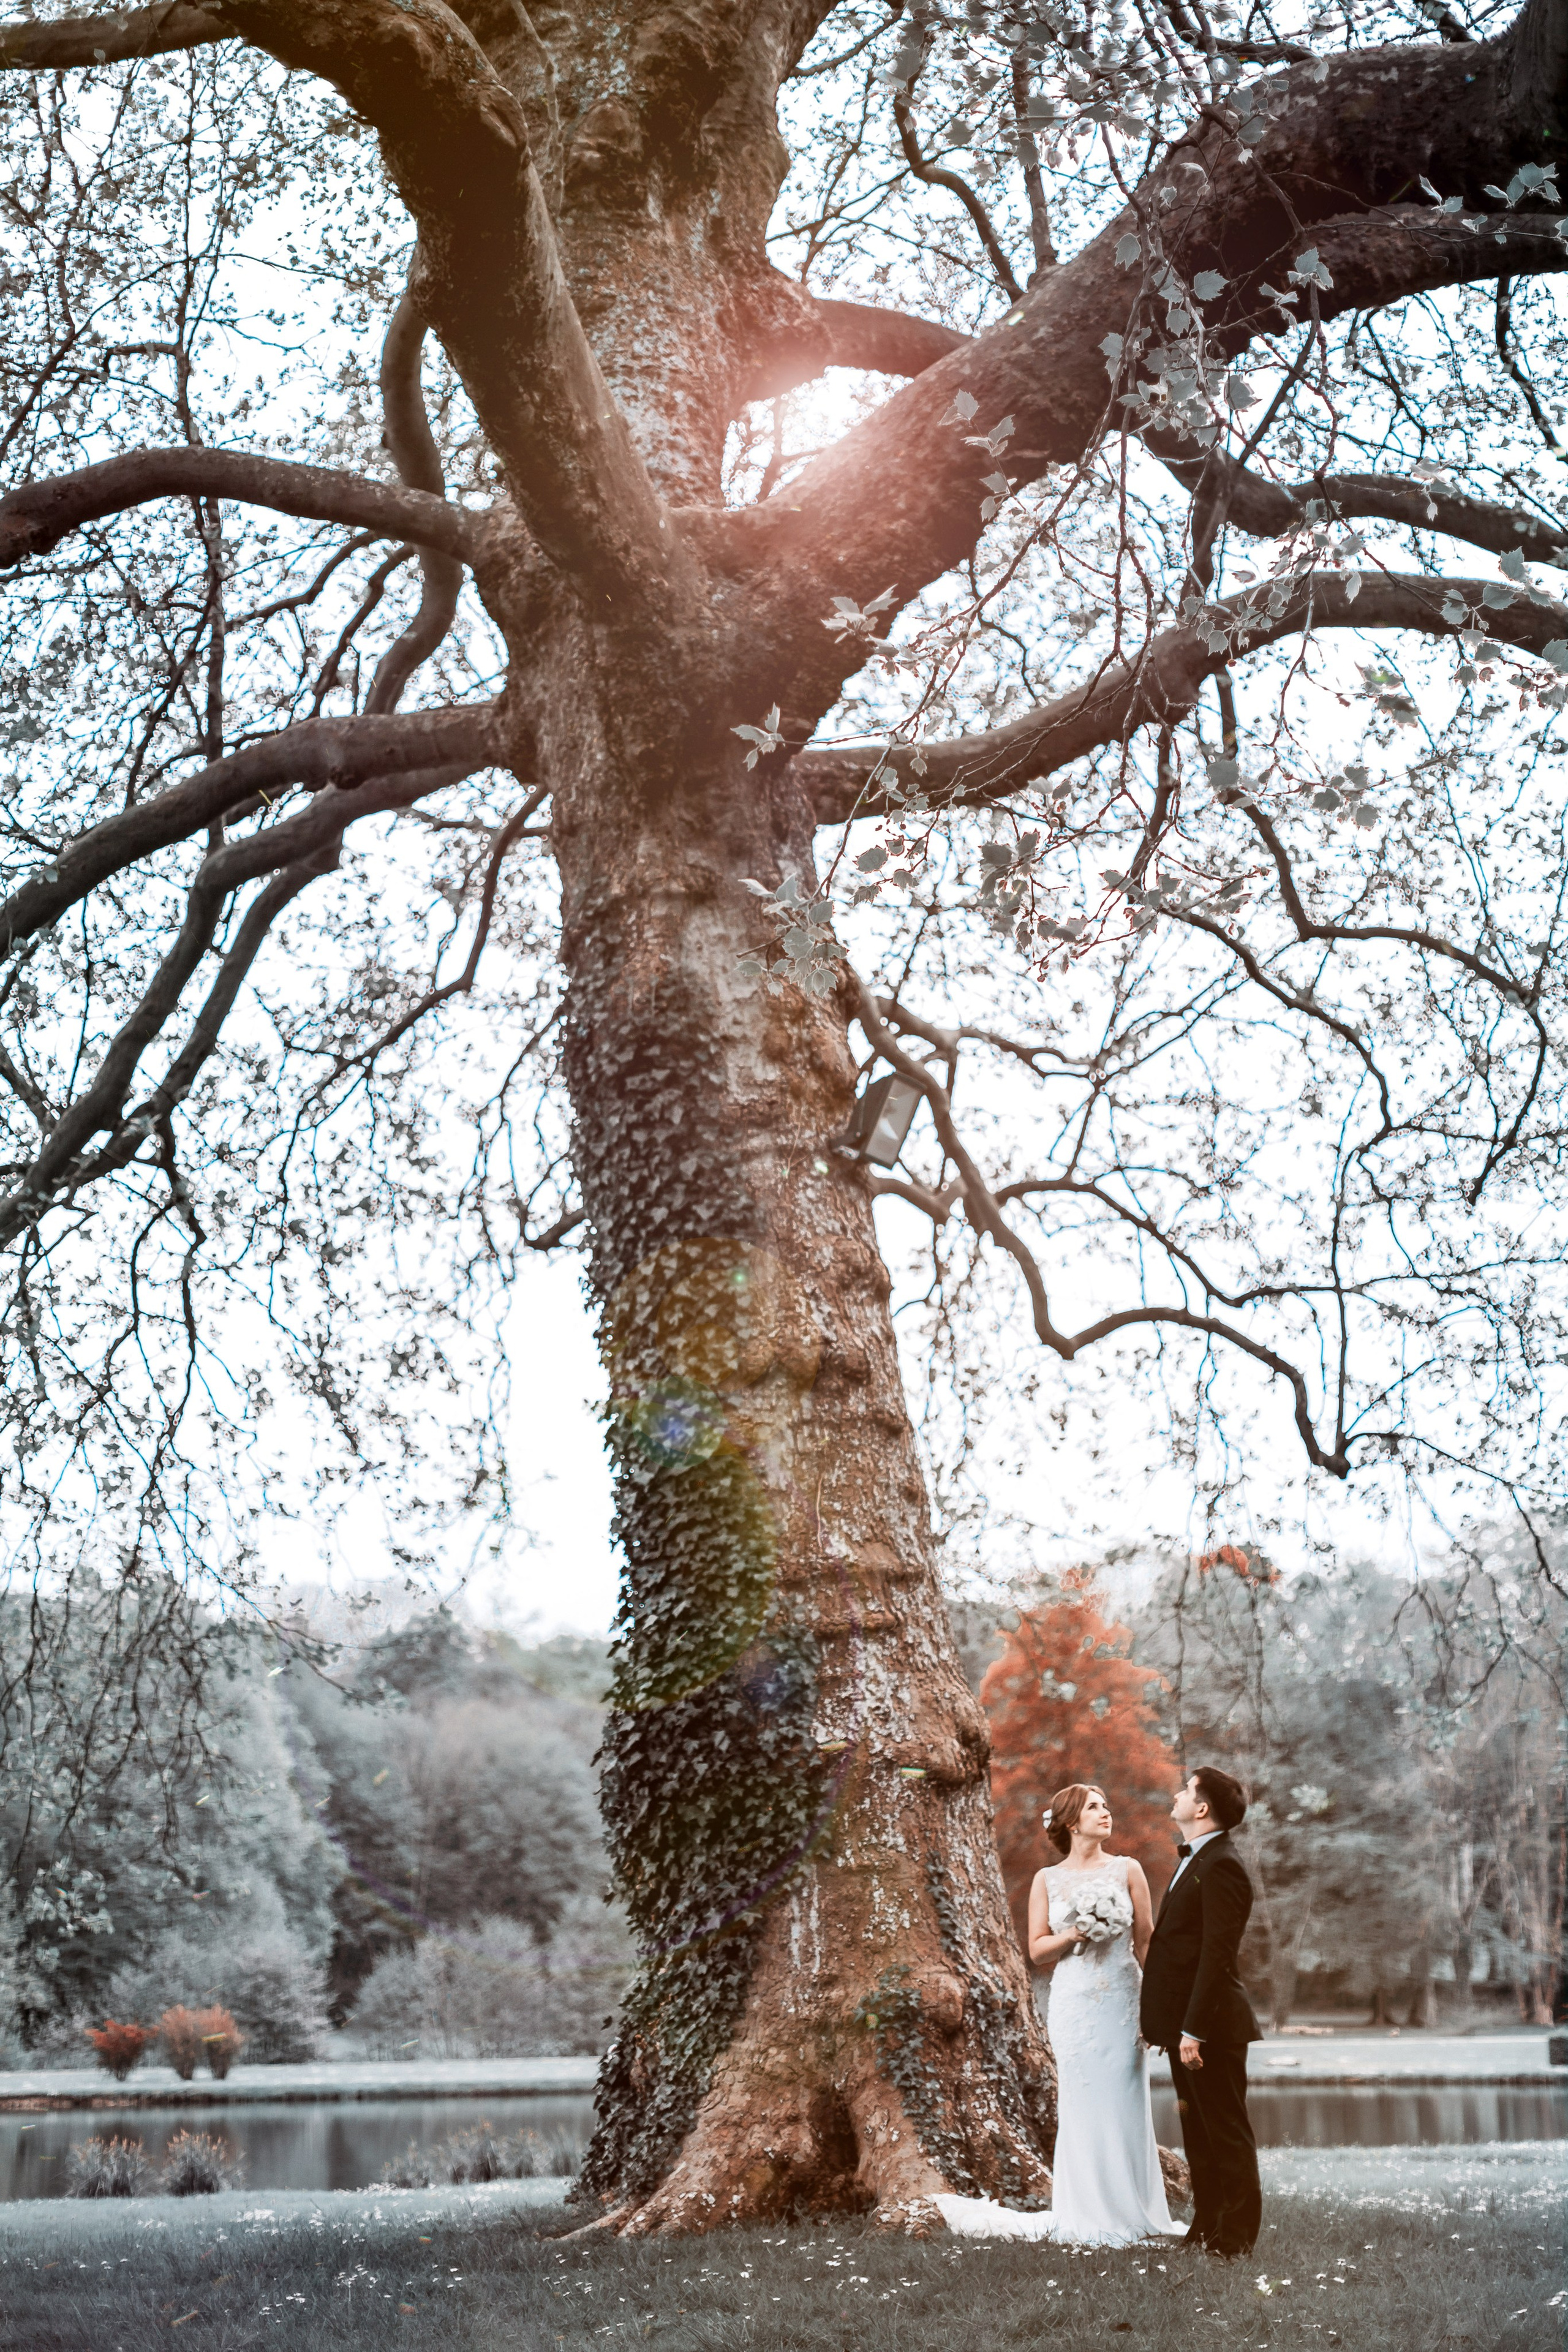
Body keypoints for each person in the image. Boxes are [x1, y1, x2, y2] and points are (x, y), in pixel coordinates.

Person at [936, 1782, 1177, 2245]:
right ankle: (1085, 2211)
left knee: (1125, 2101)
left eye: (1107, 1805)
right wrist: (1075, 1933)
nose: (1106, 1813)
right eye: (1094, 1807)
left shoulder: (1130, 1870)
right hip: (1075, 2005)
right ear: (1070, 1822)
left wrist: (1160, 2004)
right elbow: (1038, 1948)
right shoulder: (1048, 1880)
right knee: (1083, 2104)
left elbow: (1146, 1939)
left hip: (1123, 2001)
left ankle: (1135, 2209)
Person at [1139, 1765, 1263, 2258]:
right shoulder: (1196, 1860)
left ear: (1203, 1807)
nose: (1176, 1795)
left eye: (1186, 1790)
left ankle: (1236, 2241)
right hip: (1184, 2028)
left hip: (1211, 2027)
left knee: (1226, 2133)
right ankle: (1207, 2231)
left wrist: (1193, 2029)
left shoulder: (1222, 1865)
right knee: (1199, 2135)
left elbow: (1216, 1955)